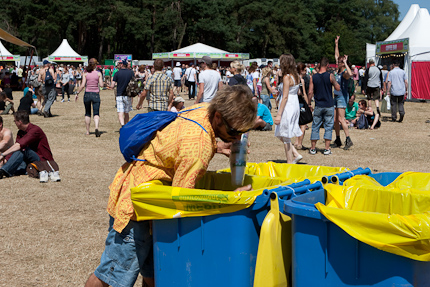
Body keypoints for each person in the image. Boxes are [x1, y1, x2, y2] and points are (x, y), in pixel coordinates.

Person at [84, 85, 257, 287]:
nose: (237, 139)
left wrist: (218, 145)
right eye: (234, 131)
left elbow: (179, 143)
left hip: (149, 204)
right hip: (135, 207)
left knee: (156, 275)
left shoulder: (203, 109)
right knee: (111, 278)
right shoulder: (199, 146)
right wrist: (230, 199)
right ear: (218, 117)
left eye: (243, 133)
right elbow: (182, 199)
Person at [0, 111, 59, 181]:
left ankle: (2, 172)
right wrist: (6, 159)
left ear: (20, 122)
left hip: (41, 159)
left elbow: (19, 145)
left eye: (15, 121)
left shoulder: (35, 130)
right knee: (18, 167)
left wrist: (3, 154)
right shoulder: (21, 132)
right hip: (27, 160)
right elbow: (15, 150)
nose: (14, 123)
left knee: (23, 149)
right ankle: (22, 170)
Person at [308, 57, 341, 155]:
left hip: (318, 105)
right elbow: (337, 88)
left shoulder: (313, 77)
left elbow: (310, 92)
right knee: (328, 127)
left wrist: (309, 103)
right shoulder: (330, 76)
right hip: (329, 105)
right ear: (327, 65)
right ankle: (327, 149)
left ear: (319, 65)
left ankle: (313, 148)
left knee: (315, 126)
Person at [274, 54, 303, 164]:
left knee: (285, 134)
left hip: (288, 105)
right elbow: (298, 92)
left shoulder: (287, 77)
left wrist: (279, 114)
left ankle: (289, 161)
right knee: (281, 133)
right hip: (294, 102)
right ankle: (295, 154)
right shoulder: (296, 76)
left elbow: (285, 97)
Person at [332, 36, 354, 150]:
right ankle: (337, 139)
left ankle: (348, 139)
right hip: (335, 97)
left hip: (341, 97)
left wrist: (345, 63)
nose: (337, 62)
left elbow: (351, 75)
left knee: (341, 119)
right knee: (335, 120)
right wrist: (336, 44)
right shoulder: (337, 72)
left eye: (339, 62)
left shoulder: (345, 73)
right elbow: (336, 56)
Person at [76, 58, 104, 137]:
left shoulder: (85, 74)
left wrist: (77, 93)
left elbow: (82, 85)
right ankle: (96, 127)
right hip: (95, 94)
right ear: (95, 65)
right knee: (96, 113)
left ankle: (87, 131)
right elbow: (101, 85)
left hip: (87, 94)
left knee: (87, 113)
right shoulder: (98, 73)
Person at [110, 60, 134, 126]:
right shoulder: (131, 73)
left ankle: (122, 125)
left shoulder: (117, 73)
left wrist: (110, 86)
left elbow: (112, 85)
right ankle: (126, 125)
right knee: (126, 112)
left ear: (121, 65)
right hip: (128, 94)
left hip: (119, 94)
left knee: (120, 112)